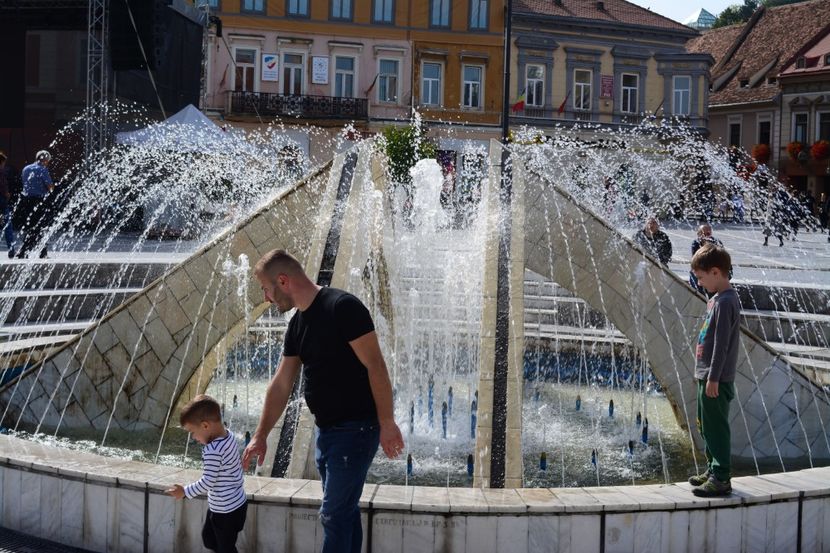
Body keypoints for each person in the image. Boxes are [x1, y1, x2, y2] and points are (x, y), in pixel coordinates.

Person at [242, 249, 404, 553]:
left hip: (356, 430)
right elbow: (281, 385)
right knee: (344, 512)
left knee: (333, 515)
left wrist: (387, 422)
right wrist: (261, 435)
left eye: (266, 288)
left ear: (283, 280)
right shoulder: (298, 323)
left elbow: (376, 366)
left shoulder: (342, 307)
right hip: (327, 433)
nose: (266, 297)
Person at [688, 244, 740, 497]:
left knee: (716, 426)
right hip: (707, 375)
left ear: (716, 272)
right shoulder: (716, 299)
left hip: (715, 378)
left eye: (701, 277)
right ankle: (712, 469)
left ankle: (721, 477)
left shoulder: (727, 301)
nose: (699, 283)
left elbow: (722, 344)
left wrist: (714, 378)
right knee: (705, 425)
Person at [166, 395, 247, 553]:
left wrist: (185, 492)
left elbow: (207, 482)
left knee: (225, 548)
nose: (194, 438)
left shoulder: (212, 450)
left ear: (205, 426)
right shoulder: (228, 436)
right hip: (234, 505)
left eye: (192, 432)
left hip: (226, 511)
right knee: (209, 539)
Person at [18, 150, 54, 258]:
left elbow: (24, 184)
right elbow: (50, 187)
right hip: (38, 202)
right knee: (40, 226)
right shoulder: (43, 170)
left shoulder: (26, 169)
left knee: (31, 226)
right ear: (46, 160)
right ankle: (26, 251)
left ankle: (40, 252)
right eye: (48, 161)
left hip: (26, 201)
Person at [689, 224, 723, 294]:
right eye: (703, 234)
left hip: (715, 269)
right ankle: (698, 294)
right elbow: (697, 260)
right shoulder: (696, 243)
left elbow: (721, 259)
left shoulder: (717, 242)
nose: (706, 236)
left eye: (708, 233)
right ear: (699, 234)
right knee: (695, 273)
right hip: (702, 268)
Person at [0, 152, 17, 258]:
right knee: (7, 225)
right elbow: (3, 185)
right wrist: (7, 194)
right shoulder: (1, 172)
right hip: (1, 199)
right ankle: (11, 249)